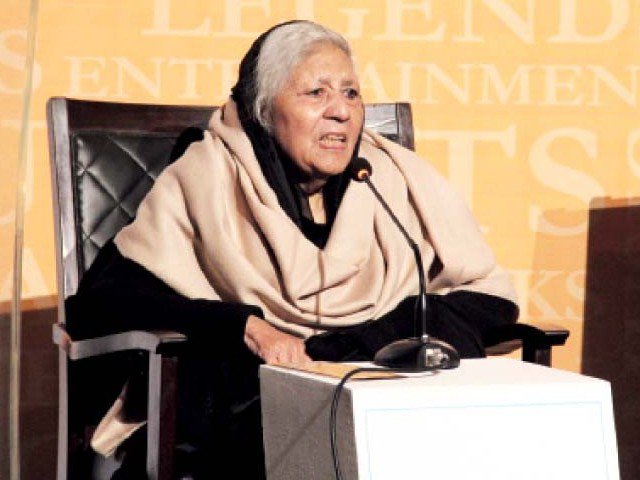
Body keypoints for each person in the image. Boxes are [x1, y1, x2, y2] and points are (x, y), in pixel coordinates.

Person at [66, 20, 518, 479]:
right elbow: (101, 306)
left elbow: (488, 300)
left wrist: (342, 347)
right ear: (263, 110)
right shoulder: (206, 180)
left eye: (351, 93)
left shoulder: (389, 180)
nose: (341, 112)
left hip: (383, 407)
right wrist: (244, 327)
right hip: (247, 414)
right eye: (316, 93)